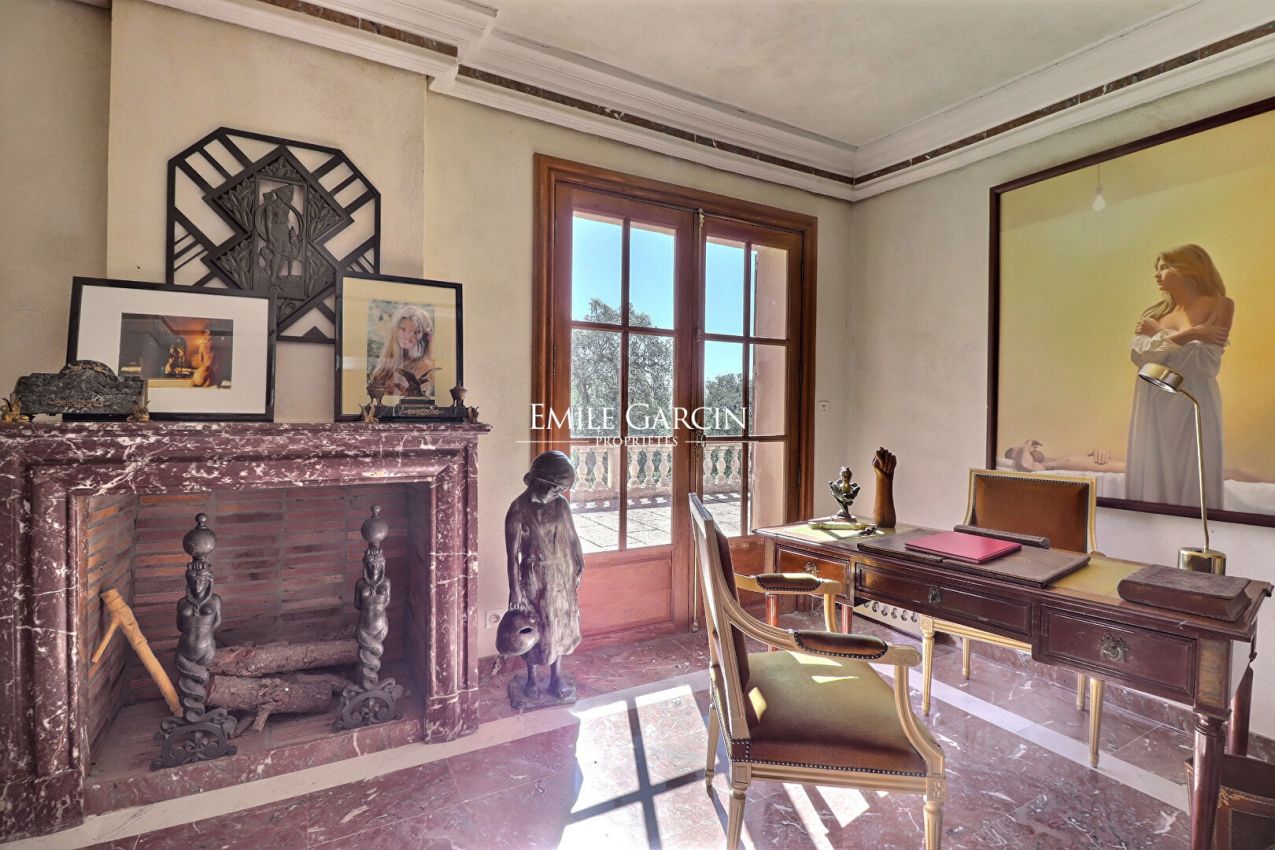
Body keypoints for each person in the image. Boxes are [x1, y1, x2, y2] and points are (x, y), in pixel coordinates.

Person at [1126, 244, 1233, 507]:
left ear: (1188, 268)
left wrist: (1160, 339)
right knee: (1155, 469)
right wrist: (1192, 334)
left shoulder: (1221, 305)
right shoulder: (1155, 314)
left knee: (1194, 467)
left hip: (1193, 399)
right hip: (1154, 401)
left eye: (1164, 267)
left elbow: (1204, 364)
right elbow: (1140, 358)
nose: (1157, 274)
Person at [504, 450, 585, 701]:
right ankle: (531, 677)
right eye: (557, 487)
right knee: (534, 627)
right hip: (534, 578)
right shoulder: (518, 509)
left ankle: (556, 676)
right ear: (542, 480)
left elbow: (572, 537)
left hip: (561, 575)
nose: (559, 493)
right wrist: (515, 589)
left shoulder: (561, 505)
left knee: (559, 625)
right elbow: (512, 556)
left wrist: (579, 563)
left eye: (562, 489)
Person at [368, 305, 437, 400]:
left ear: (425, 336)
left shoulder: (426, 367)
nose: (407, 336)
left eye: (416, 332)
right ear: (395, 330)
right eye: (403, 329)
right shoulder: (386, 363)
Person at [1007, 439, 1124, 473]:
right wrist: (1027, 443)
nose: (1032, 449)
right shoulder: (1045, 466)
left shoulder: (1055, 460)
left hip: (1121, 466)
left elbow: (1084, 462)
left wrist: (1098, 453)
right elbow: (1026, 465)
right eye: (1025, 452)